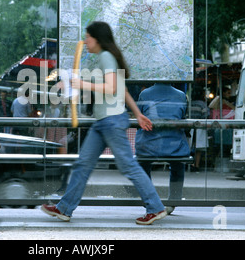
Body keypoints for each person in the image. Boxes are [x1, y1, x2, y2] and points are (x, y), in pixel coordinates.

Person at [41, 21, 166, 225]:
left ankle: (155, 207)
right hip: (103, 121)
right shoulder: (105, 58)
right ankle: (64, 208)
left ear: (97, 38)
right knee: (83, 165)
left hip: (111, 121)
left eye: (88, 36)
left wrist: (81, 84)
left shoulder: (106, 58)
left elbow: (111, 88)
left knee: (128, 166)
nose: (85, 41)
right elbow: (122, 90)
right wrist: (138, 114)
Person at [135, 83, 190, 215]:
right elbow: (182, 116)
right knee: (178, 165)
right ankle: (173, 201)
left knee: (143, 164)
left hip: (149, 146)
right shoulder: (181, 95)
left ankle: (149, 200)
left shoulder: (145, 94)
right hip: (174, 146)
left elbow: (140, 116)